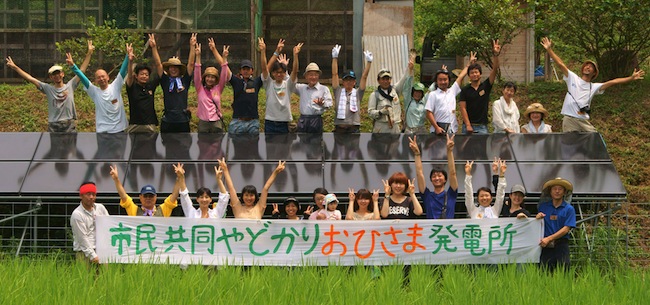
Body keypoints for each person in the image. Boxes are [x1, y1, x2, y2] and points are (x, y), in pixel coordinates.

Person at [541, 37, 646, 132]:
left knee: (594, 140)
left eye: (590, 67)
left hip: (583, 120)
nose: (587, 67)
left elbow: (613, 82)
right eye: (586, 66)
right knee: (570, 146)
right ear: (582, 69)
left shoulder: (594, 86)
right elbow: (560, 64)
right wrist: (549, 49)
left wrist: (631, 78)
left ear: (594, 73)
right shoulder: (573, 78)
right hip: (570, 119)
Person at [5, 40, 94, 132]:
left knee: (71, 147)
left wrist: (89, 53)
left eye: (58, 73)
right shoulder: (48, 88)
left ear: (62, 74)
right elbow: (30, 78)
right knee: (55, 147)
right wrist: (15, 67)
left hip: (69, 124)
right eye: (54, 75)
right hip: (54, 125)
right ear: (51, 77)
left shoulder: (70, 85)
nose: (57, 76)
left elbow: (82, 70)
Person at [66, 43, 130, 133]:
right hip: (103, 131)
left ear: (108, 77)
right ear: (95, 81)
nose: (101, 79)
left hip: (119, 130)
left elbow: (122, 71)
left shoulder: (116, 86)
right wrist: (73, 66)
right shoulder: (94, 92)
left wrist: (127, 56)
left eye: (103, 76)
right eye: (98, 77)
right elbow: (83, 78)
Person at [150, 33, 196, 133]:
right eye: (171, 67)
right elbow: (158, 64)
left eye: (176, 67)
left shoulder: (185, 80)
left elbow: (191, 64)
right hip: (168, 119)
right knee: (167, 146)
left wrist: (192, 46)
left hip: (182, 119)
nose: (173, 69)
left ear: (180, 69)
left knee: (184, 147)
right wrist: (153, 47)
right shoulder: (165, 80)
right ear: (168, 69)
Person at [410, 134, 458, 219]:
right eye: (434, 176)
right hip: (431, 232)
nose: (437, 178)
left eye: (440, 176)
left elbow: (452, 173)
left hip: (448, 231)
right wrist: (417, 154)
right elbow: (419, 174)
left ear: (445, 179)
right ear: (431, 180)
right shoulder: (427, 196)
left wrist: (449, 151)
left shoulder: (451, 194)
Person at [219, 158, 285, 219]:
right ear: (242, 196)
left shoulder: (259, 208)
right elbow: (231, 188)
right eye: (246, 195)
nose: (249, 198)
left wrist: (275, 172)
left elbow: (266, 188)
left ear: (255, 196)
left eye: (251, 195)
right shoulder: (237, 207)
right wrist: (225, 170)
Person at [459, 40, 501, 134]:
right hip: (468, 126)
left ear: (480, 74)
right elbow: (463, 108)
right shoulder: (465, 90)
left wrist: (495, 55)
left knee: (482, 149)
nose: (474, 74)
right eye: (472, 73)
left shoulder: (486, 86)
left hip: (482, 127)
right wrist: (468, 125)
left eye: (476, 72)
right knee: (466, 149)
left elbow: (494, 70)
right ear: (469, 75)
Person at [425, 55, 474, 135]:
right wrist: (436, 127)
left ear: (449, 80)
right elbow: (429, 113)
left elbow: (461, 76)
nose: (443, 82)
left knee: (451, 147)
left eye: (445, 79)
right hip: (438, 130)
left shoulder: (452, 91)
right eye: (440, 80)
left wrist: (469, 63)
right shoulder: (433, 95)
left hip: (452, 129)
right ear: (436, 81)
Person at [535, 177, 576, 272]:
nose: (557, 191)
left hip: (561, 245)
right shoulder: (543, 207)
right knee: (544, 273)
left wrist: (549, 238)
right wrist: (537, 218)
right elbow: (538, 225)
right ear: (550, 191)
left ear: (564, 192)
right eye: (554, 189)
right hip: (546, 246)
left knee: (564, 274)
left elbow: (566, 229)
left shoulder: (569, 209)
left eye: (560, 189)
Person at [191, 37, 231, 133]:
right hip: (203, 123)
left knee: (217, 146)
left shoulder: (218, 89)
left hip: (216, 122)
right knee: (203, 146)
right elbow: (197, 73)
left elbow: (224, 75)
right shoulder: (199, 88)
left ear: (216, 79)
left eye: (212, 77)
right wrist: (198, 57)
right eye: (208, 77)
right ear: (204, 78)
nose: (210, 79)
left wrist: (224, 58)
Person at [290, 46, 333, 133]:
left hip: (316, 120)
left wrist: (322, 103)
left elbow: (330, 104)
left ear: (318, 76)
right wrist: (295, 56)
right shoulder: (301, 88)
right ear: (306, 76)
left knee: (316, 144)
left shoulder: (324, 89)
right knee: (302, 144)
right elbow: (291, 83)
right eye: (310, 74)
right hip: (303, 120)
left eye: (315, 75)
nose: (313, 77)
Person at [109, 164, 179, 217]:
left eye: (151, 196)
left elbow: (174, 197)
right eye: (145, 196)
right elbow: (124, 196)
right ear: (140, 197)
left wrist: (180, 178)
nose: (148, 198)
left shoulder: (163, 211)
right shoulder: (134, 211)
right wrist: (116, 179)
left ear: (155, 197)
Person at [331, 45, 372, 133]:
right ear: (343, 82)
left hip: (353, 128)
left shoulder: (358, 93)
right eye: (346, 80)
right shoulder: (338, 91)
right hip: (340, 128)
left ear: (354, 82)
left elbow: (364, 77)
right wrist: (335, 58)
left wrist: (369, 62)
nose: (348, 82)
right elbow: (335, 74)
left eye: (351, 80)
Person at [260, 38, 295, 133]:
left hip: (284, 122)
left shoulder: (288, 84)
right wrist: (263, 51)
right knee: (270, 148)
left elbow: (295, 72)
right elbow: (264, 68)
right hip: (270, 121)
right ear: (273, 73)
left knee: (284, 148)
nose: (279, 74)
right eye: (276, 72)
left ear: (285, 73)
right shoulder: (269, 83)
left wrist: (295, 55)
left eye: (281, 72)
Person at [368, 58, 413, 134]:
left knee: (395, 146)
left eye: (388, 79)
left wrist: (409, 68)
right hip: (381, 127)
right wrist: (380, 112)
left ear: (390, 80)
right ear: (378, 80)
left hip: (395, 126)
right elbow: (370, 112)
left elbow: (404, 79)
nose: (386, 81)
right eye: (383, 79)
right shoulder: (374, 95)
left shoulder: (395, 90)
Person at [71, 181, 109, 264]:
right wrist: (93, 255)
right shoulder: (77, 214)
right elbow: (82, 238)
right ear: (81, 196)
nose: (91, 197)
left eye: (94, 194)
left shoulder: (100, 208)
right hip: (84, 253)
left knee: (105, 276)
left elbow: (108, 225)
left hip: (101, 250)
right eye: (88, 194)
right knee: (85, 277)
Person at [125, 47, 158, 133]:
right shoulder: (132, 87)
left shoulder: (151, 86)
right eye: (142, 74)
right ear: (136, 75)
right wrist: (130, 61)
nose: (144, 76)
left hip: (149, 124)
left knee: (151, 146)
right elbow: (129, 76)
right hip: (135, 125)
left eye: (146, 75)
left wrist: (154, 48)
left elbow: (159, 66)